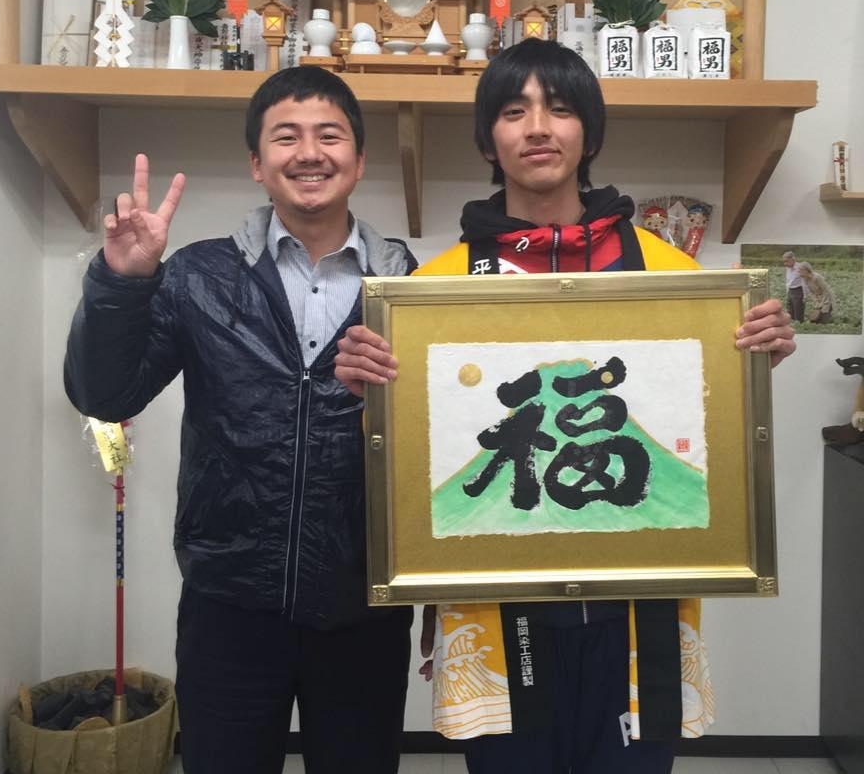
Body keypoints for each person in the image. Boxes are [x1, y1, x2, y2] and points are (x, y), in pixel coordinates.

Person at [334, 39, 795, 773]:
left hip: (640, 608)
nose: (538, 127)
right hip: (498, 608)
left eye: (561, 108)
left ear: (591, 132)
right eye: (514, 112)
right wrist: (369, 389)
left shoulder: (670, 271)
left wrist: (753, 352)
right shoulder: (439, 287)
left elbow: (713, 418)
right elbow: (412, 456)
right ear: (489, 137)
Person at [63, 67, 416, 774]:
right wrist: (121, 284)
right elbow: (106, 393)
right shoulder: (199, 276)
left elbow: (446, 451)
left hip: (363, 606)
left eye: (329, 136)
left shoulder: (411, 288)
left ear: (359, 159)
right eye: (286, 137)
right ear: (257, 163)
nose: (309, 153)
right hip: (228, 604)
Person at [782, 250, 807, 322]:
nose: (785, 264)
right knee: (790, 312)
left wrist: (805, 295)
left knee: (798, 313)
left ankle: (800, 329)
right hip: (790, 291)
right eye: (784, 261)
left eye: (786, 261)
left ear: (792, 259)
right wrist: (788, 293)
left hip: (798, 291)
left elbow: (804, 282)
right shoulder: (788, 268)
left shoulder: (800, 267)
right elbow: (788, 281)